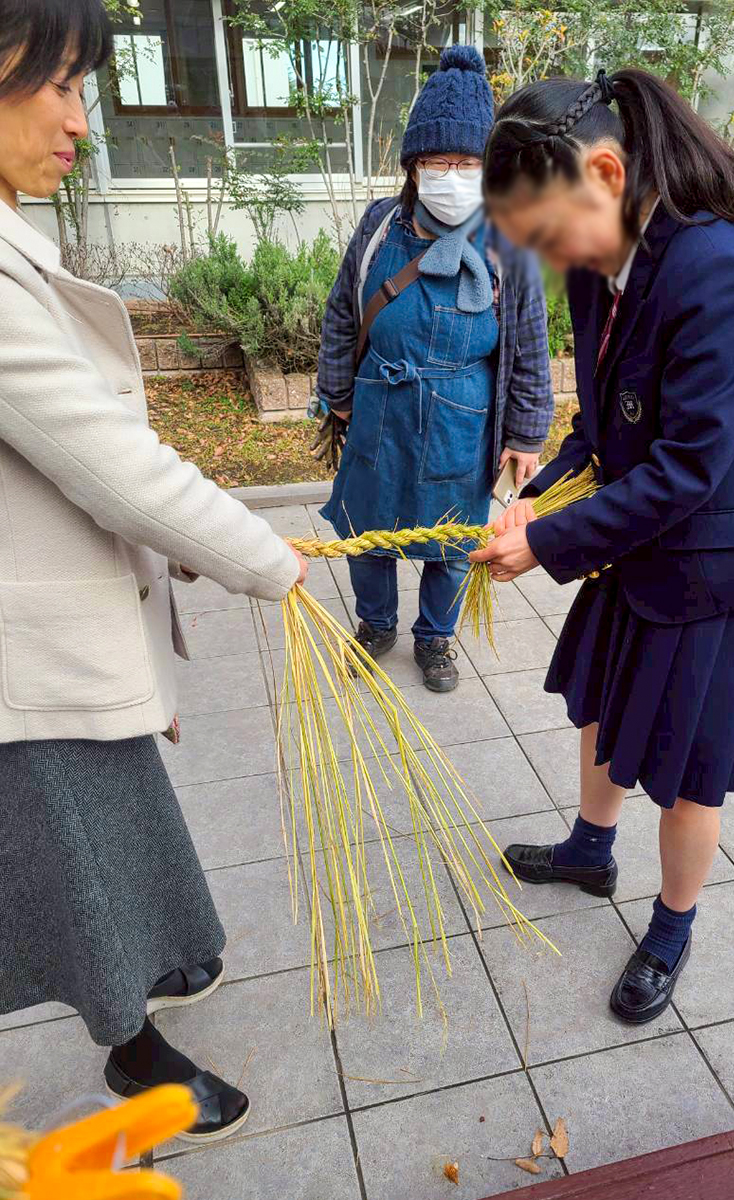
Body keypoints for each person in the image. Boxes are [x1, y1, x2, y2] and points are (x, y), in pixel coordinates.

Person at [0, 0, 308, 1142]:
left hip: (64, 626)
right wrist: (266, 558)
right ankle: (135, 1052)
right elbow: (113, 466)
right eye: (61, 86)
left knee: (121, 808)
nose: (81, 122)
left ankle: (165, 964)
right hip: (27, 660)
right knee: (77, 856)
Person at [472, 67, 734, 1022]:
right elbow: (602, 430)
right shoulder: (602, 265)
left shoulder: (722, 269)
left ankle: (673, 927)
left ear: (606, 172)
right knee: (603, 705)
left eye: (548, 232)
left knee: (688, 770)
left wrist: (551, 542)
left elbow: (689, 467)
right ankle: (590, 851)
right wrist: (536, 500)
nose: (550, 257)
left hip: (716, 560)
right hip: (638, 531)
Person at [315, 45, 553, 693]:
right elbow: (342, 313)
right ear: (413, 167)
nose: (451, 175)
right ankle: (376, 623)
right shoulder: (379, 225)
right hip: (378, 407)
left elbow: (530, 344)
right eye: (437, 162)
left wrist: (526, 434)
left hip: (461, 418)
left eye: (467, 163)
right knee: (367, 533)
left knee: (452, 541)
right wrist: (337, 393)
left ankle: (435, 637)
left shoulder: (509, 239)